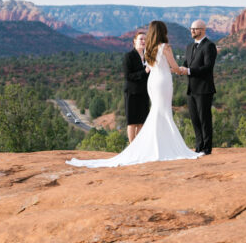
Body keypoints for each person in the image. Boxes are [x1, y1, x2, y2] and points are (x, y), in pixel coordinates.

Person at [67, 21, 200, 167]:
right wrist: (183, 70)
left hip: (153, 83)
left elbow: (151, 66)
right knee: (163, 112)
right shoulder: (165, 47)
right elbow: (173, 66)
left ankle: (152, 145)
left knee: (157, 111)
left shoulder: (149, 49)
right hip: (163, 81)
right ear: (163, 31)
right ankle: (163, 146)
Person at [181, 19, 217, 155]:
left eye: (194, 29)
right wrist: (179, 69)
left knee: (204, 119)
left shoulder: (209, 46)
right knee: (195, 119)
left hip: (204, 89)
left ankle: (207, 148)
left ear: (202, 30)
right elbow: (186, 64)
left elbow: (208, 68)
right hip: (191, 89)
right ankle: (198, 146)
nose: (192, 31)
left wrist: (189, 71)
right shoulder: (189, 47)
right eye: (191, 28)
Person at [122, 31, 150, 142]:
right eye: (141, 39)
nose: (143, 41)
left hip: (144, 93)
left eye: (145, 39)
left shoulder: (148, 57)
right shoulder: (129, 56)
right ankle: (131, 148)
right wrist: (145, 71)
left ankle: (138, 147)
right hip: (132, 93)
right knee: (132, 122)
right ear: (134, 41)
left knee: (142, 122)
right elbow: (128, 76)